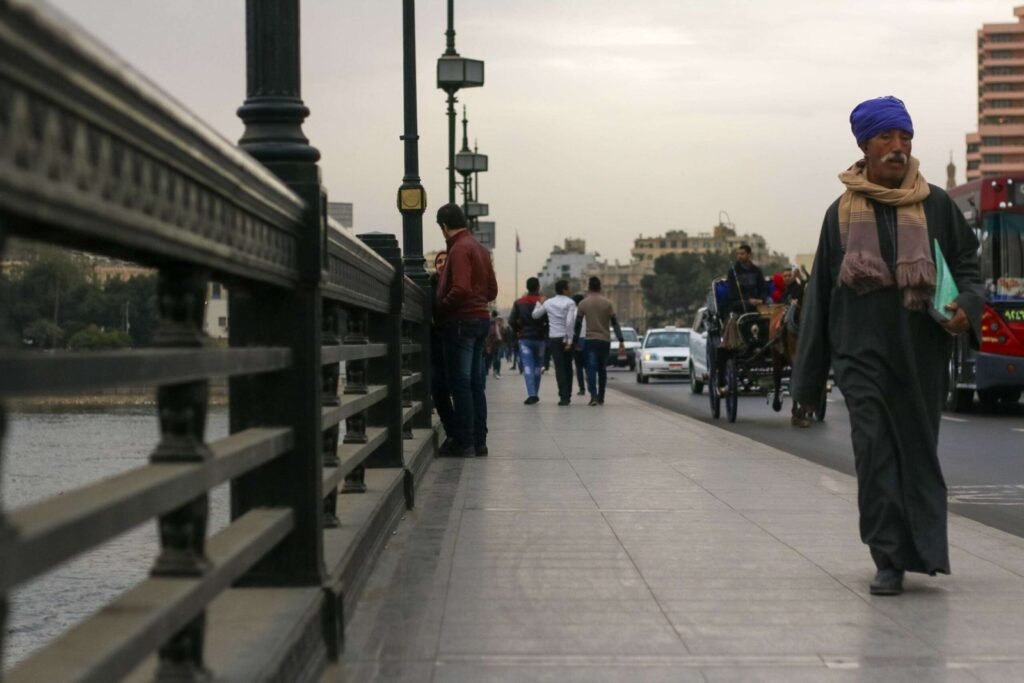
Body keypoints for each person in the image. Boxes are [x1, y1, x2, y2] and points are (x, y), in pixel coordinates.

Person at [793, 96, 983, 596]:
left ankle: (921, 551)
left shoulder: (937, 205)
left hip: (921, 354)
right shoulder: (840, 213)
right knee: (874, 452)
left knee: (917, 453)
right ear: (865, 145)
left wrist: (967, 303)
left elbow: (968, 265)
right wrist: (808, 385)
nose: (898, 148)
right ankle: (888, 558)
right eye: (887, 138)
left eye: (905, 138)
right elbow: (820, 302)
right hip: (860, 356)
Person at [435, 203, 498, 457]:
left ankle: (464, 441)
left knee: (460, 384)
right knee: (475, 384)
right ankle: (480, 441)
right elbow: (492, 291)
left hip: (461, 321)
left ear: (444, 226)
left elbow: (459, 288)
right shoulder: (480, 249)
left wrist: (441, 307)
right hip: (481, 319)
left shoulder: (459, 249)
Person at [573, 276, 625, 406]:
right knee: (602, 369)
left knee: (591, 368)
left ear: (589, 287)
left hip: (590, 340)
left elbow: (578, 325)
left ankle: (594, 396)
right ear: (600, 287)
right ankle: (601, 396)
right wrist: (621, 340)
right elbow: (615, 323)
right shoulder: (608, 303)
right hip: (604, 341)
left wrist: (575, 341)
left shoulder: (583, 304)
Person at [428, 251, 458, 455]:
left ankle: (459, 435)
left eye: (445, 261)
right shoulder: (429, 286)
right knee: (439, 390)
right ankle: (453, 432)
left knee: (459, 388)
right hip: (436, 346)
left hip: (455, 342)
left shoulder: (458, 285)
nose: (441, 264)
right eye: (438, 261)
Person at [533, 279, 577, 406]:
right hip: (565, 337)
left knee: (559, 368)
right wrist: (569, 340)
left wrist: (539, 303)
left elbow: (535, 315)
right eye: (568, 287)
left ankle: (563, 396)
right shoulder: (570, 303)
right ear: (564, 290)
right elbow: (569, 322)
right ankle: (568, 394)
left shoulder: (548, 303)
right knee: (568, 366)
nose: (570, 290)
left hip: (554, 338)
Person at [507, 277, 548, 404]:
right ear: (538, 286)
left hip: (524, 339)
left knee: (528, 367)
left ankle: (532, 394)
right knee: (537, 367)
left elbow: (511, 321)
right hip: (540, 338)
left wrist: (518, 330)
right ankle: (535, 392)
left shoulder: (519, 303)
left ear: (527, 287)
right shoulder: (543, 302)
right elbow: (549, 319)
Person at [571, 293, 587, 396]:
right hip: (588, 340)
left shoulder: (573, 313)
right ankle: (592, 387)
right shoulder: (588, 312)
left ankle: (582, 388)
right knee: (589, 366)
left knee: (579, 367)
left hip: (577, 341)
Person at [483, 311, 503, 381]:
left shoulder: (501, 327)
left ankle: (497, 371)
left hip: (499, 345)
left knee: (497, 359)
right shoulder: (491, 326)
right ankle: (490, 370)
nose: (499, 321)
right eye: (498, 320)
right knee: (491, 359)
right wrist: (488, 346)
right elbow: (489, 337)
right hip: (493, 345)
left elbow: (505, 335)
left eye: (500, 320)